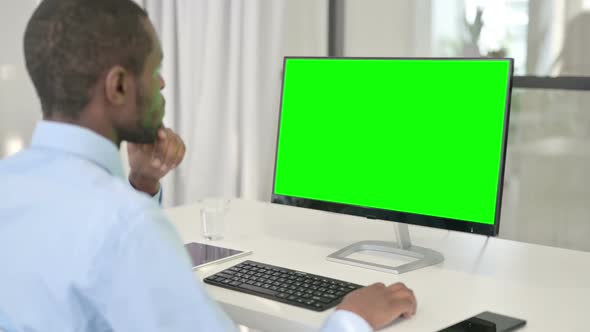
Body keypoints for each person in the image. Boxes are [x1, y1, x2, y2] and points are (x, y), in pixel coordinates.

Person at [0, 0, 417, 331]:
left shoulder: (11, 184)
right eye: (155, 68)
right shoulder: (126, 225)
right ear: (120, 86)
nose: (162, 83)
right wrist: (350, 320)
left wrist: (142, 184)